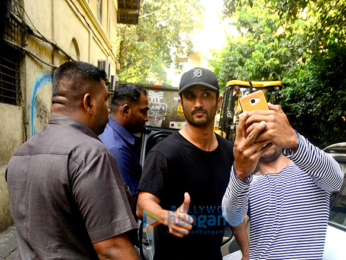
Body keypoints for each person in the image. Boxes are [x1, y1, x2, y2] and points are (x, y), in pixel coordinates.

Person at [6, 61, 139, 260]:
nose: (107, 108)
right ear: (88, 103)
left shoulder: (20, 154)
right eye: (105, 100)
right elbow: (112, 250)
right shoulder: (91, 155)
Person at [222, 103, 344, 260]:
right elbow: (232, 217)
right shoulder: (246, 183)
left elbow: (336, 180)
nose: (263, 135)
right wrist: (240, 172)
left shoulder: (312, 170)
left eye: (266, 127)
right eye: (255, 131)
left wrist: (293, 140)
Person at [136, 67, 235, 260]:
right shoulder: (165, 152)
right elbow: (142, 206)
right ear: (181, 103)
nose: (198, 103)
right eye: (190, 96)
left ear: (219, 101)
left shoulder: (230, 152)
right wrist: (168, 217)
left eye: (206, 95)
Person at [99, 84, 149, 199]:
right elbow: (128, 203)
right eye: (143, 111)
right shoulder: (118, 150)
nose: (146, 118)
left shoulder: (109, 132)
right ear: (126, 110)